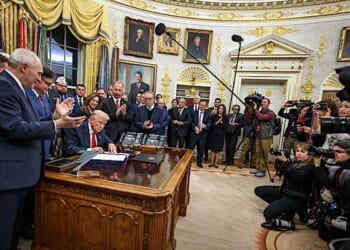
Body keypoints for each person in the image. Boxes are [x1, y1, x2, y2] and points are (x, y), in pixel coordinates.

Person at [0, 48, 85, 250]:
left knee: (13, 232)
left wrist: (55, 118)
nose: (40, 79)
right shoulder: (4, 86)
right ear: (23, 68)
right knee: (4, 234)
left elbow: (32, 122)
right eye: (38, 74)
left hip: (21, 174)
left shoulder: (18, 87)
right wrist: (57, 126)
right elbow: (14, 128)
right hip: (9, 176)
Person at [255, 143, 315, 231]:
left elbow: (295, 177)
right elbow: (283, 172)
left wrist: (286, 162)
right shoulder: (296, 163)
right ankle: (288, 209)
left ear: (309, 155)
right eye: (297, 151)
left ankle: (293, 215)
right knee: (259, 190)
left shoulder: (310, 167)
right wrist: (279, 161)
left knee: (268, 213)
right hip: (285, 191)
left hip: (296, 197)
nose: (298, 153)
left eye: (302, 152)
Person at [313, 140, 350, 241]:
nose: (335, 154)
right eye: (334, 152)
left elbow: (329, 184)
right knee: (323, 230)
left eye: (339, 152)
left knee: (331, 236)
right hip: (338, 201)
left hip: (346, 206)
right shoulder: (338, 164)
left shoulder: (347, 170)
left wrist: (317, 167)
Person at [250, 98, 275, 177]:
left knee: (264, 154)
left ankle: (263, 170)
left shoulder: (271, 113)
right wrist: (254, 108)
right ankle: (258, 168)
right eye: (262, 102)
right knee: (258, 153)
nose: (262, 103)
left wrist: (256, 110)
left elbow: (261, 117)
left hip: (266, 136)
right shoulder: (258, 112)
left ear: (268, 104)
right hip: (258, 135)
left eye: (265, 102)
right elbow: (253, 116)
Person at [189, 101, 211, 168]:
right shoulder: (193, 113)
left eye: (204, 105)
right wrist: (195, 127)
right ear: (199, 105)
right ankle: (188, 161)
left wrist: (206, 126)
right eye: (201, 105)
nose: (202, 106)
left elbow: (209, 123)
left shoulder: (208, 114)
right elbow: (190, 121)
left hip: (203, 134)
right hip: (194, 134)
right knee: (190, 149)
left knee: (201, 149)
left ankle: (199, 162)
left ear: (205, 106)